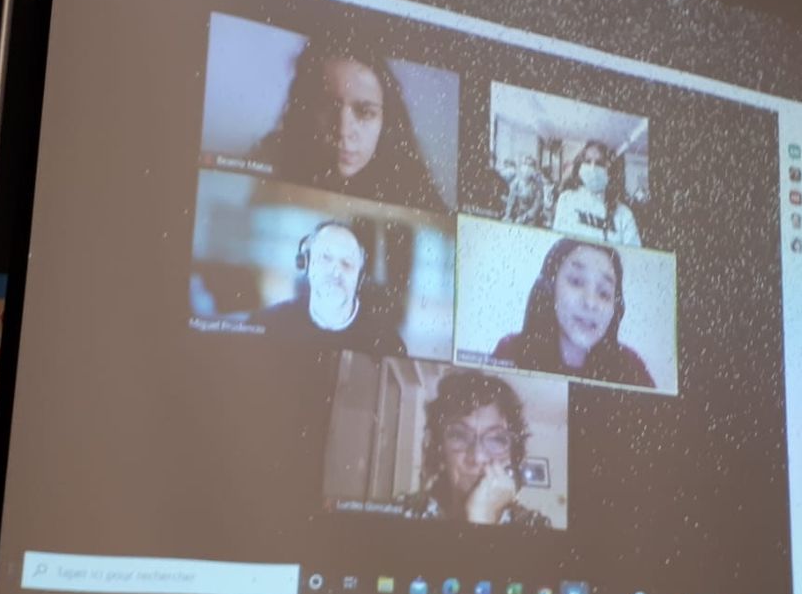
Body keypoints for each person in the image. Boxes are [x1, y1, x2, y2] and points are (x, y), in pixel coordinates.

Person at [249, 31, 448, 212]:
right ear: (305, 108)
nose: (343, 130)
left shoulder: (413, 193)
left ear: (387, 122)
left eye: (365, 112)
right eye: (326, 107)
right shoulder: (268, 164)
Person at [491, 237, 655, 388]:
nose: (590, 303)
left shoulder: (630, 368)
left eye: (604, 293)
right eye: (576, 282)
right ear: (549, 289)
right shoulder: (513, 350)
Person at [398, 371, 550, 528]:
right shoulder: (401, 514)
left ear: (512, 454)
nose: (477, 457)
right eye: (459, 435)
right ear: (440, 448)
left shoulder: (535, 526)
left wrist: (483, 517)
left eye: (496, 439)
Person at [257, 220, 407, 356]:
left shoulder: (388, 344)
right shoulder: (270, 325)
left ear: (360, 277)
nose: (336, 272)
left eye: (347, 263)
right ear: (306, 264)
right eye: (325, 258)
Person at [551, 140, 641, 246]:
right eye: (588, 162)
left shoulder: (624, 214)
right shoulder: (567, 200)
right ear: (580, 166)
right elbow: (557, 242)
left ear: (610, 171)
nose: (592, 168)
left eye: (599, 163)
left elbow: (633, 252)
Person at [503, 156, 546, 226]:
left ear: (534, 168)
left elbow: (537, 204)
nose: (527, 168)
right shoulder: (516, 183)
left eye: (530, 165)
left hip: (531, 219)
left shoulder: (537, 186)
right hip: (516, 216)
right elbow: (511, 200)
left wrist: (526, 217)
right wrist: (508, 215)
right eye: (526, 164)